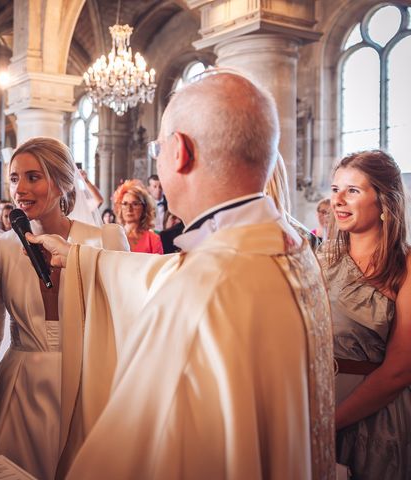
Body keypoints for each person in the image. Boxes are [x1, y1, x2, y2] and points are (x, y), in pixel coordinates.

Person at [29, 70, 335, 479]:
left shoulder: (202, 296)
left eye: (158, 147)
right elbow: (166, 271)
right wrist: (83, 257)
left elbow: (127, 457)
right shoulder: (288, 249)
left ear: (180, 152)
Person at [0, 137, 128, 480]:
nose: (20, 189)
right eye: (14, 178)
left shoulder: (105, 240)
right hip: (20, 393)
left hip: (87, 387)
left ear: (62, 182)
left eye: (34, 177)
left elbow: (123, 324)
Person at [319, 150, 411, 480]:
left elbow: (400, 371)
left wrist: (330, 423)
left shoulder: (406, 267)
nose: (338, 201)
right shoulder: (319, 260)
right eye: (334, 190)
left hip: (375, 420)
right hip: (316, 404)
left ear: (385, 202)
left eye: (352, 191)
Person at [113, 180, 163, 254]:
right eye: (125, 204)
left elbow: (159, 265)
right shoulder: (113, 236)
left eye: (135, 204)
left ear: (144, 208)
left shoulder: (153, 239)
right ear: (119, 207)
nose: (129, 209)